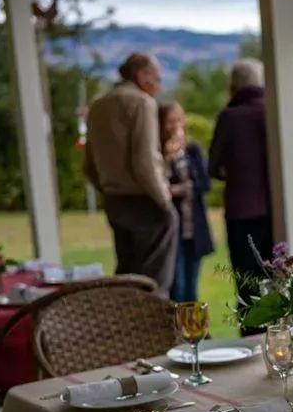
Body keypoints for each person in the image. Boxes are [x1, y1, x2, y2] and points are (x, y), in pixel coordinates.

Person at [83, 53, 177, 297]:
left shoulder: (98, 105)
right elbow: (144, 160)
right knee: (154, 283)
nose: (159, 85)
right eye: (156, 78)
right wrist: (164, 201)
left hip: (114, 200)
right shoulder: (141, 102)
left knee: (126, 278)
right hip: (144, 199)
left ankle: (127, 332)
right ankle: (154, 333)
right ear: (141, 75)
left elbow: (89, 164)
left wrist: (108, 190)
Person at [208, 59, 272, 336]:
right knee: (274, 280)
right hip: (273, 211)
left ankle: (250, 342)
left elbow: (213, 166)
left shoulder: (229, 116)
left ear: (233, 85)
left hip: (240, 213)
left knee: (247, 283)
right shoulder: (271, 112)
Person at [159, 102, 214, 303]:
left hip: (194, 229)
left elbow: (204, 183)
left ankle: (195, 330)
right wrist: (168, 157)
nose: (175, 126)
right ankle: (179, 331)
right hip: (173, 231)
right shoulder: (159, 154)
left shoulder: (193, 150)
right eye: (169, 122)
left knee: (192, 288)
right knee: (178, 288)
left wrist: (180, 189)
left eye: (178, 120)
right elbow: (160, 186)